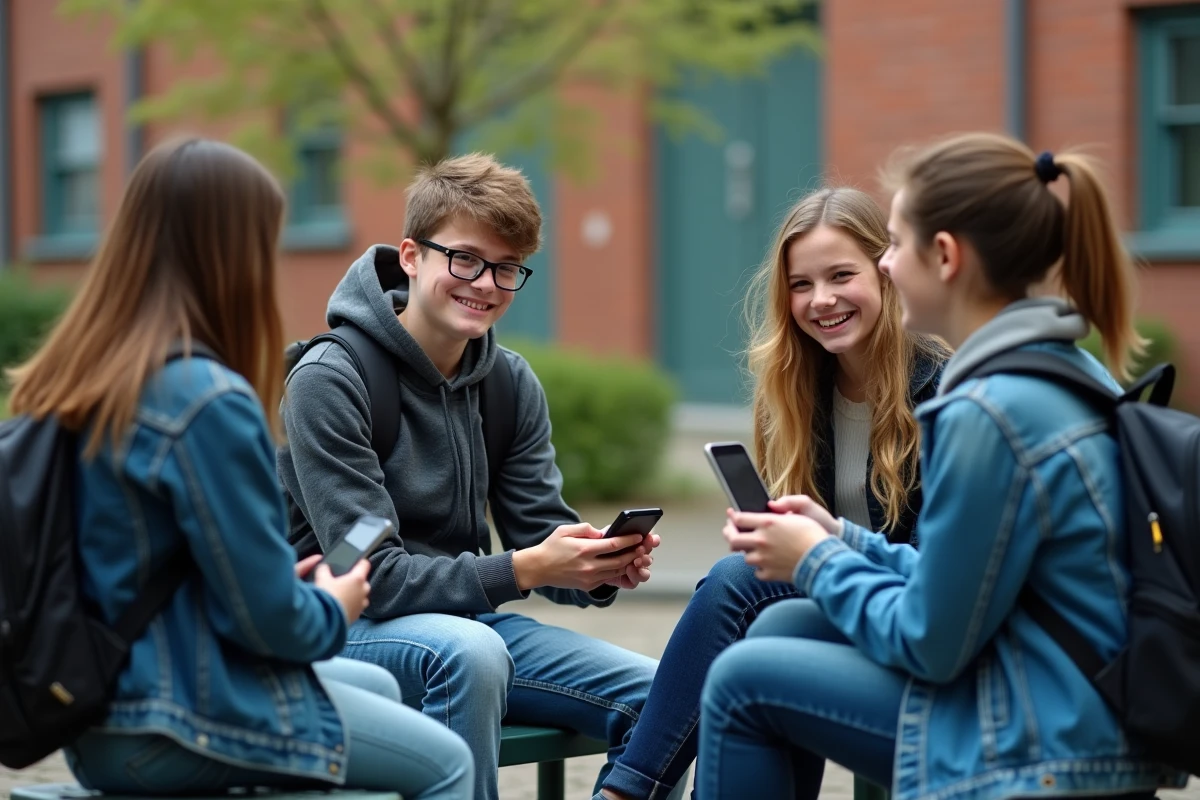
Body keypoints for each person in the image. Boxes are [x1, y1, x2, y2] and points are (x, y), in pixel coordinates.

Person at [699, 133, 1189, 800]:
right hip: (1075, 701)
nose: (888, 265)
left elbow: (932, 639)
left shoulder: (987, 410)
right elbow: (969, 582)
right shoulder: (1062, 366)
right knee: (786, 624)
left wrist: (813, 563)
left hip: (1045, 739)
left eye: (894, 245)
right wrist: (840, 539)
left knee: (742, 681)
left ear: (947, 257)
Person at [6, 138, 474, 799]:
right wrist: (334, 606)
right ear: (231, 253)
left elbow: (137, 564)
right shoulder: (206, 401)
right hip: (173, 719)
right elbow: (273, 626)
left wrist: (278, 579)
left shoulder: (83, 379)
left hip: (95, 711)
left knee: (378, 686)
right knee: (446, 761)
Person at [277, 152, 668, 800]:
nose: (485, 283)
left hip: (465, 621)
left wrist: (592, 565)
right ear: (410, 255)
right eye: (464, 259)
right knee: (469, 655)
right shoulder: (329, 380)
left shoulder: (508, 383)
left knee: (664, 694)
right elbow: (376, 577)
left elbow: (539, 526)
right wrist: (524, 570)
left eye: (507, 268)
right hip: (343, 627)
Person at [598, 187, 949, 800]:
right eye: (802, 284)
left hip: (909, 611)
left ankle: (629, 790)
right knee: (765, 624)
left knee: (740, 584)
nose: (822, 300)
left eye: (842, 276)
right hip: (835, 601)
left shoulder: (941, 389)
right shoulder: (795, 388)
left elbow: (934, 572)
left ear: (886, 273)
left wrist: (812, 549)